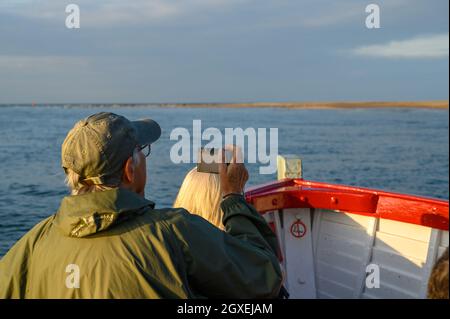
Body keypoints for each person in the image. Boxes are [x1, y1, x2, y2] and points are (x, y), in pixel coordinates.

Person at [0, 112, 282, 299]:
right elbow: (265, 279)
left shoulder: (33, 243)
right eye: (142, 151)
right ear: (129, 169)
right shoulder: (172, 232)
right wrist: (233, 197)